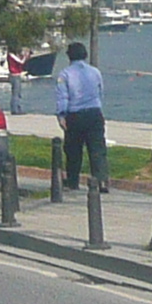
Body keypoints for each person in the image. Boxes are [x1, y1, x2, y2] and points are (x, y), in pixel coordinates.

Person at [54, 41, 109, 200]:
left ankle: (73, 181)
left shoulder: (65, 75)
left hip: (75, 115)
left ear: (69, 56)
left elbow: (63, 97)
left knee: (73, 150)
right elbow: (100, 93)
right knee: (97, 148)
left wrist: (61, 115)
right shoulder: (95, 72)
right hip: (94, 113)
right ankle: (101, 180)